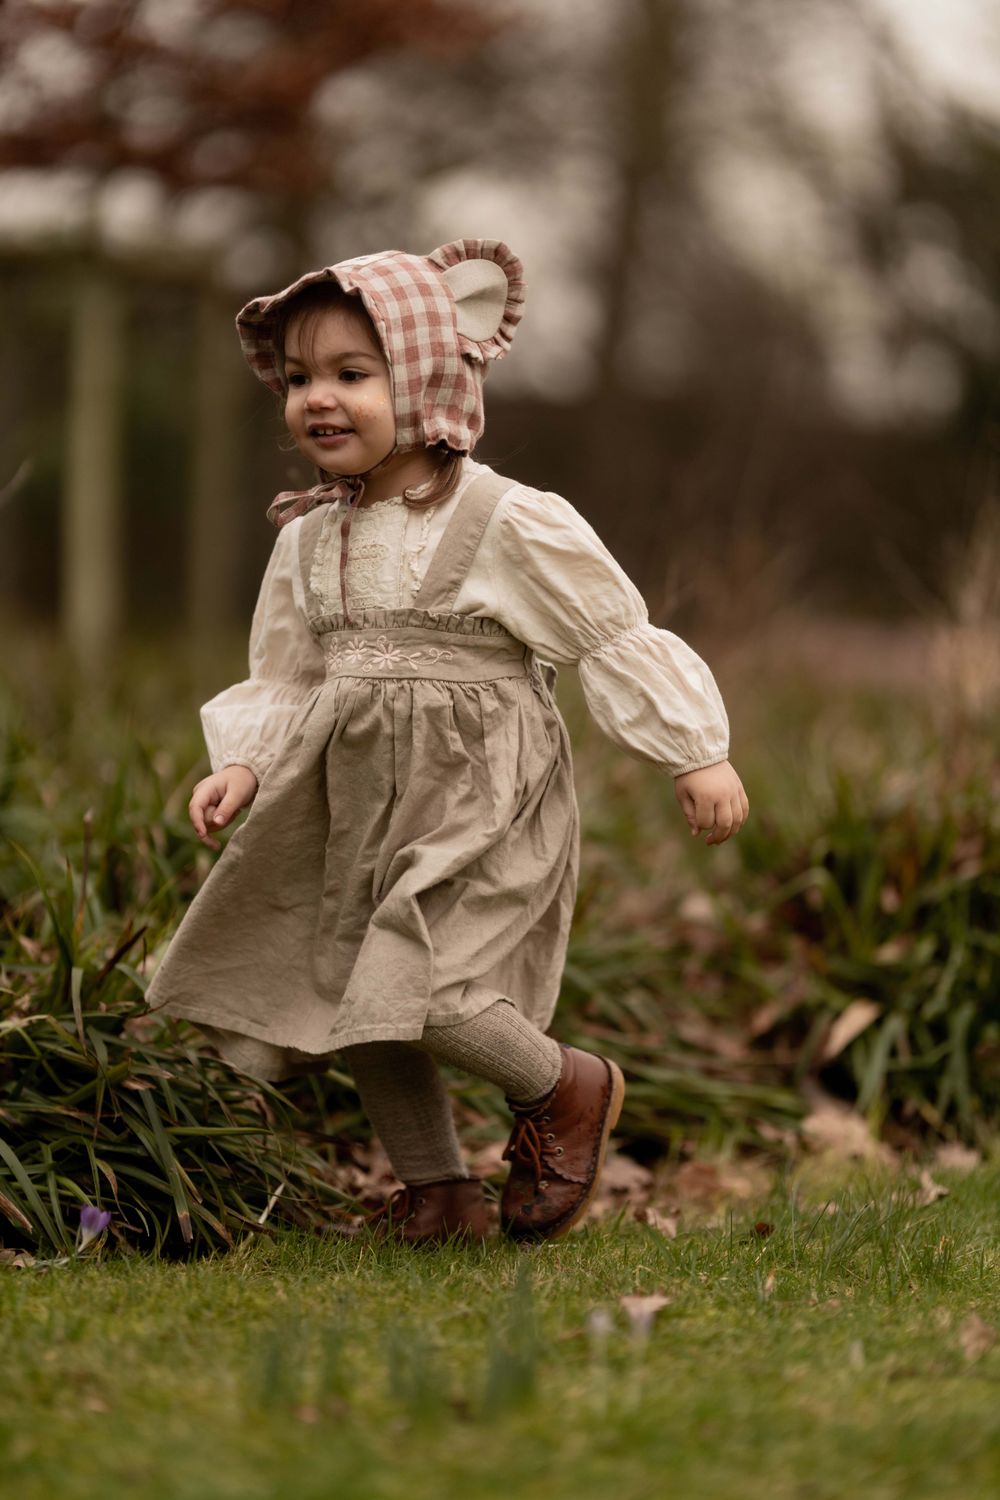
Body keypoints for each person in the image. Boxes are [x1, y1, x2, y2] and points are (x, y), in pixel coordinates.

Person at [145, 238, 748, 1247]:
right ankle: (439, 1194)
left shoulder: (503, 519)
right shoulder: (307, 540)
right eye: (298, 379)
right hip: (348, 793)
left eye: (349, 373)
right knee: (355, 992)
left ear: (425, 381)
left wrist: (694, 748)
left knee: (430, 989)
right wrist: (246, 760)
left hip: (476, 790)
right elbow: (289, 670)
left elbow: (606, 630)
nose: (315, 400)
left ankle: (564, 1088)